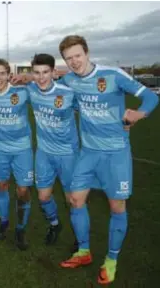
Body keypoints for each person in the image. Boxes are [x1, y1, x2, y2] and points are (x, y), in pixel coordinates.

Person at [57, 35, 159, 285]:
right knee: (75, 199)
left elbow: (151, 97)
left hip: (116, 154)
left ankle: (111, 260)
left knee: (117, 207)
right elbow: (58, 92)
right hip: (88, 153)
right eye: (69, 58)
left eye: (77, 56)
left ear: (87, 53)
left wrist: (139, 113)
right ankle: (83, 251)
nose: (74, 62)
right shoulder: (69, 80)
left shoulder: (113, 74)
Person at [26, 54, 79, 245]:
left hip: (68, 154)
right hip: (44, 153)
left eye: (45, 72)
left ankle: (79, 235)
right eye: (37, 73)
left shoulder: (68, 92)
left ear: (54, 72)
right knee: (43, 196)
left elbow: (91, 110)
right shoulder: (31, 90)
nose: (41, 77)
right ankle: (55, 224)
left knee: (72, 200)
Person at [0, 58, 33, 250]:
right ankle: (3, 222)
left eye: (2, 73)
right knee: (1, 186)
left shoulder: (22, 91)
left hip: (22, 149)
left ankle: (20, 228)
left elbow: (45, 85)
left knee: (22, 190)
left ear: (8, 74)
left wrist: (30, 77)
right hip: (0, 150)